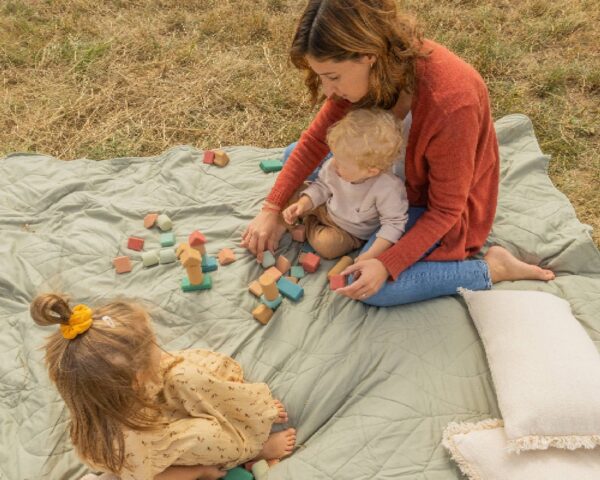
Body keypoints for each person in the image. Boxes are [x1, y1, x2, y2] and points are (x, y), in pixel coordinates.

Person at [241, 0, 554, 306]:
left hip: (427, 203)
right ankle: (350, 227)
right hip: (379, 176)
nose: (327, 91)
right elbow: (312, 144)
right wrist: (272, 208)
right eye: (321, 76)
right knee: (293, 155)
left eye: (333, 77)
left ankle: (491, 268)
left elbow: (446, 211)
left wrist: (386, 263)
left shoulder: (451, 103)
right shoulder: (365, 75)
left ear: (368, 55)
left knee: (374, 288)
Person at [31, 293, 296, 480]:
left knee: (185, 376)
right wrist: (198, 472)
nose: (158, 348)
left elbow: (165, 374)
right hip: (152, 446)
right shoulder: (129, 444)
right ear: (137, 378)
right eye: (152, 347)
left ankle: (245, 411)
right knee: (209, 426)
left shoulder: (101, 394)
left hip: (147, 412)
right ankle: (253, 448)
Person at [282, 108, 408, 260]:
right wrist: (303, 203)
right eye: (335, 156)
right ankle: (303, 215)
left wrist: (371, 254)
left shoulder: (388, 188)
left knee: (327, 247)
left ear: (371, 171)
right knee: (292, 193)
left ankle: (307, 221)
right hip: (326, 208)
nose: (333, 164)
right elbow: (322, 186)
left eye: (342, 164)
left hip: (348, 232)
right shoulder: (335, 164)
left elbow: (393, 224)